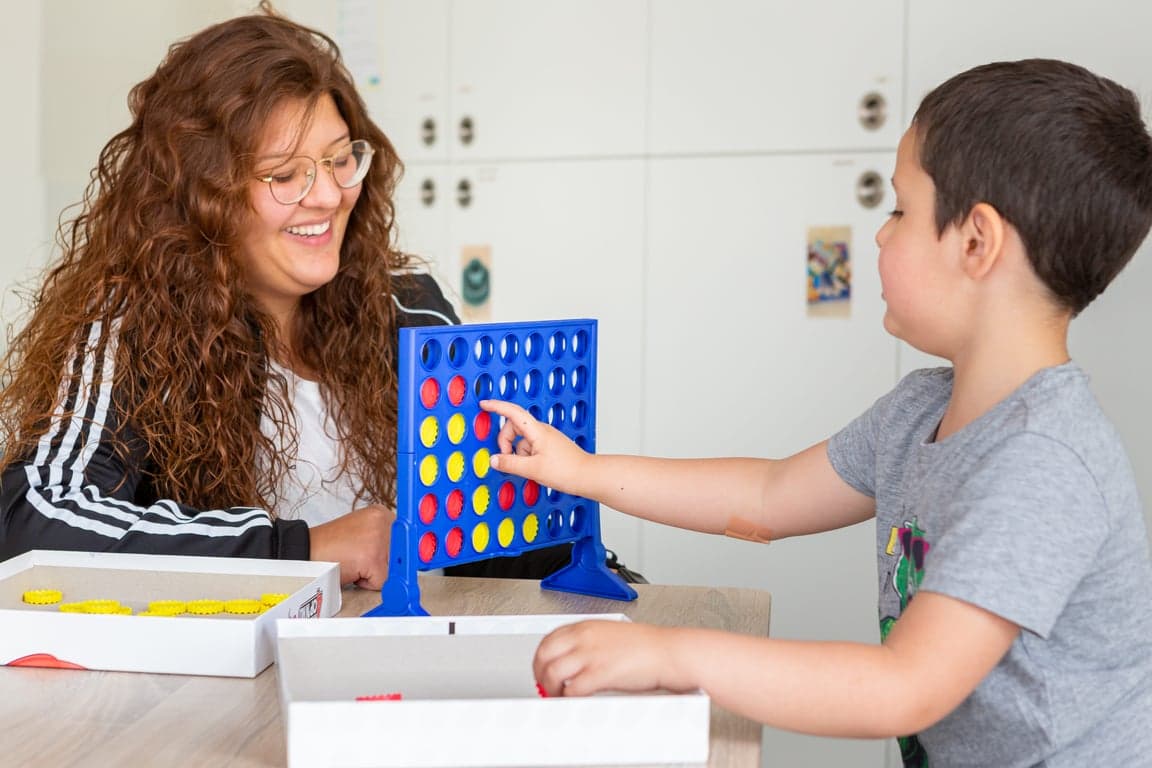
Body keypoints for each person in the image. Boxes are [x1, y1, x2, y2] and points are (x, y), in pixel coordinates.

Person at [480, 59, 1152, 767]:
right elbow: (766, 497)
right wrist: (580, 471)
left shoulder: (1042, 462)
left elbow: (903, 689)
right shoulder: (921, 409)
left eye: (900, 209)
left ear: (976, 242)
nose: (881, 235)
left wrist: (671, 653)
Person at [0, 5, 460, 590]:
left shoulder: (411, 308)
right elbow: (35, 521)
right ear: (202, 196)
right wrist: (303, 549)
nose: (326, 196)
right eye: (284, 173)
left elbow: (497, 521)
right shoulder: (134, 331)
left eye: (340, 159)